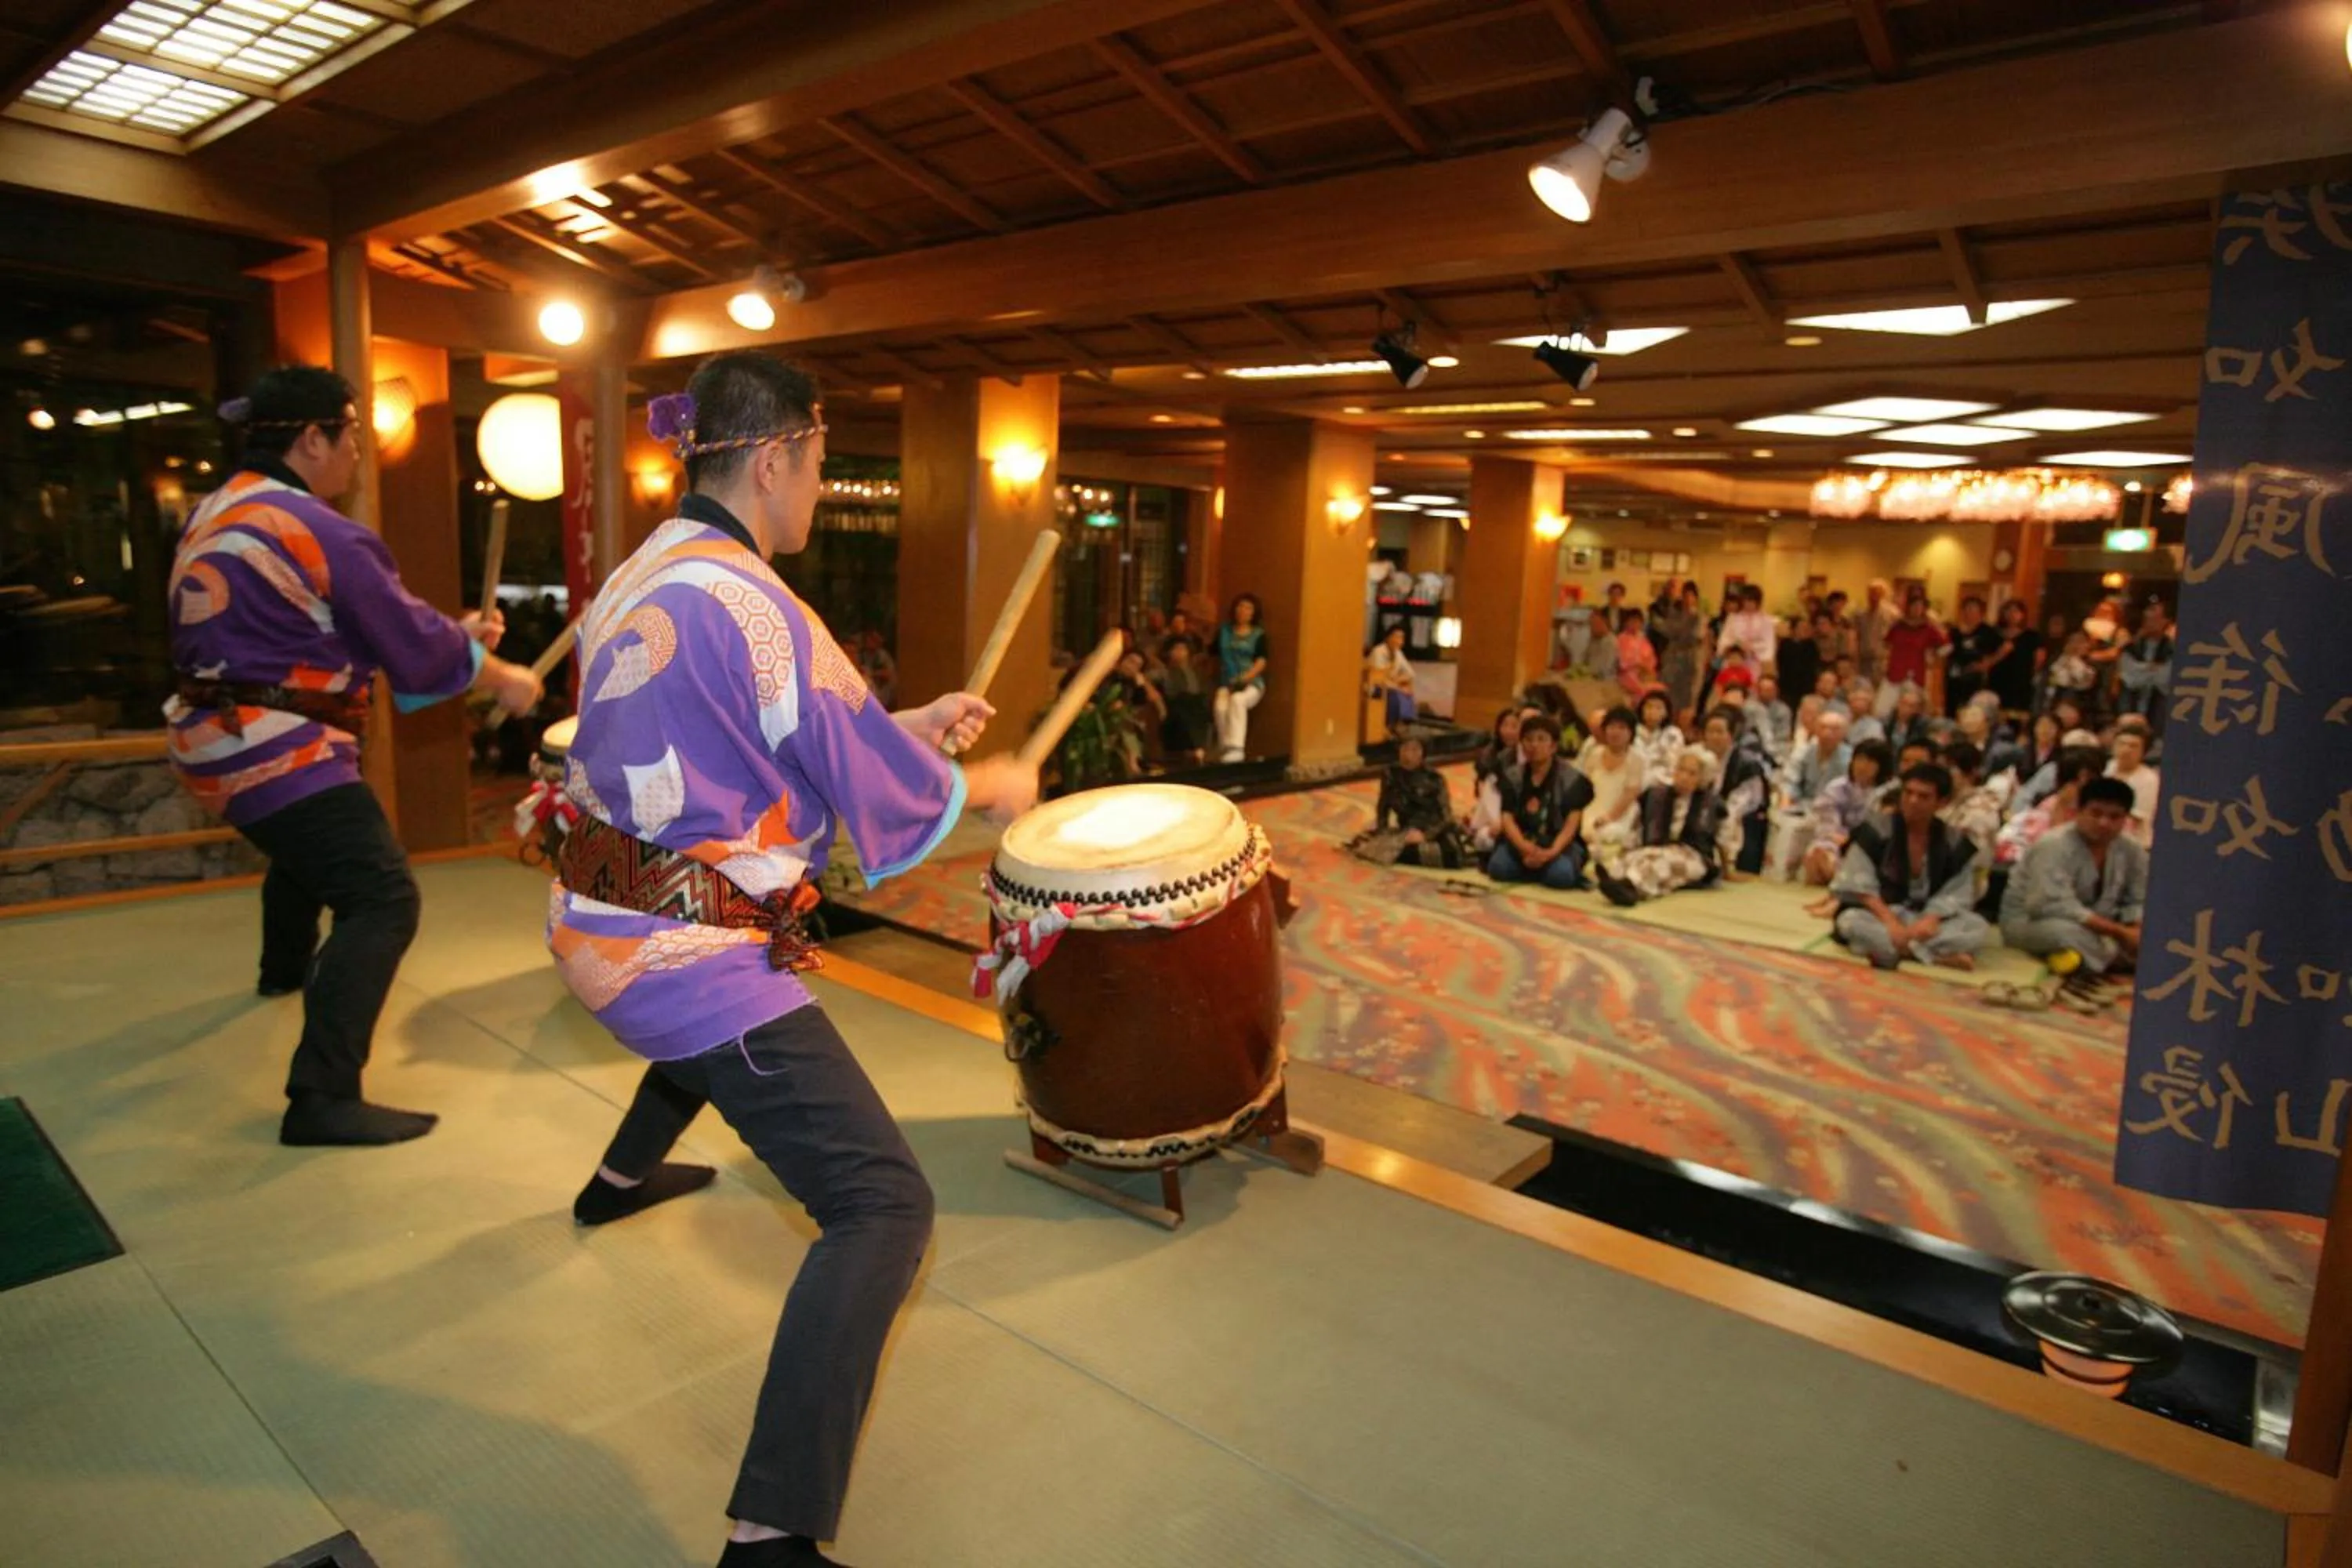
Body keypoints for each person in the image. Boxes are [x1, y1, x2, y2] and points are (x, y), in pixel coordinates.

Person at [550, 355, 1040, 1568]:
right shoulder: (765, 606)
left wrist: (900, 729)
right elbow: (878, 798)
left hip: (597, 914)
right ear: (773, 458)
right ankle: (772, 1539)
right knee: (883, 1203)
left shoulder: (642, 572)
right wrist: (981, 786)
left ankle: (613, 1183)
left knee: (725, 1029)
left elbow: (741, 731)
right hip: (685, 948)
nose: (823, 489)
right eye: (822, 465)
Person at [165, 365, 543, 1146]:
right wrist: (500, 675)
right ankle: (322, 1095)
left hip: (211, 735)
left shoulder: (219, 510)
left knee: (307, 848)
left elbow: (327, 625)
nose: (358, 458)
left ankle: (282, 967)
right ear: (313, 437)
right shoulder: (319, 527)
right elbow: (398, 633)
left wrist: (450, 641)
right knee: (381, 895)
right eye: (352, 439)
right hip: (268, 744)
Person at [1830, 764, 1992, 971]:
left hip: (1925, 919)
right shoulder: (1876, 830)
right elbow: (1861, 888)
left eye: (1923, 797)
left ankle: (1893, 951)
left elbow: (1957, 893)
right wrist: (1892, 924)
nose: (1913, 801)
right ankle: (1932, 955)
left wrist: (1929, 920)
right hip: (1881, 914)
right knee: (1850, 921)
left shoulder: (1955, 843)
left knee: (1976, 927)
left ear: (1941, 803)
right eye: (1908, 793)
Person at [1999, 776, 2147, 995]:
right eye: (2096, 813)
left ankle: (2085, 959)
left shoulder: (2131, 849)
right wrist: (2120, 933)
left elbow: (2137, 897)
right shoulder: (2054, 844)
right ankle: (2111, 957)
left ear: (2126, 819)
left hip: (2102, 927)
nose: (2104, 823)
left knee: (2154, 938)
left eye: (2114, 817)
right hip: (2033, 922)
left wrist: (2135, 928)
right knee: (2067, 932)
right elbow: (2049, 905)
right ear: (2079, 811)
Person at [1597, 748, 1726, 906]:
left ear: (1701, 778)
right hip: (1657, 847)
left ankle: (1632, 890)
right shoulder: (1655, 794)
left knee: (1660, 863)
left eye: (1692, 773)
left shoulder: (1712, 803)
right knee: (1637, 857)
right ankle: (1617, 881)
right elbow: (1636, 828)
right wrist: (1625, 852)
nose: (1684, 777)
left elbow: (1724, 840)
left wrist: (1727, 868)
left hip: (1694, 856)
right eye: (1681, 770)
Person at [1486, 713, 1593, 890]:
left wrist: (1550, 852)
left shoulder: (1573, 780)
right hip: (1523, 840)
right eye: (1528, 740)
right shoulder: (1513, 776)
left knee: (1561, 876)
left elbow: (1571, 826)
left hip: (1557, 843)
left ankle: (1541, 868)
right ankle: (1534, 868)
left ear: (1553, 746)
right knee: (1498, 868)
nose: (1534, 745)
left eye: (1541, 739)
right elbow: (1507, 818)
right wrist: (1524, 847)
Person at [1800, 738, 1895, 887]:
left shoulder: (1888, 792)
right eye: (1860, 759)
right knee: (1817, 852)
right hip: (1835, 838)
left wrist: (1851, 840)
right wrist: (1837, 837)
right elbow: (1827, 819)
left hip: (1868, 845)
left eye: (1870, 762)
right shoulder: (1838, 787)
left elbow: (1879, 827)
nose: (1863, 766)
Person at [1367, 735, 1465, 868]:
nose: (1409, 755)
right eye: (1405, 749)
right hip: (1408, 829)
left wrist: (1425, 835)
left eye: (1415, 750)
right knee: (1375, 844)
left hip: (1435, 829)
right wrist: (1382, 829)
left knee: (1453, 855)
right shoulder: (1390, 773)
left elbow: (1446, 817)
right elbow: (1383, 806)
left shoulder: (1434, 778)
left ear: (1422, 753)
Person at [1699, 705, 1773, 876]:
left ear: (1731, 736)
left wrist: (1717, 810)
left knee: (1729, 820)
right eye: (1710, 731)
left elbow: (1747, 801)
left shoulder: (1748, 763)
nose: (1714, 737)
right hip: (1705, 809)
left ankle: (1725, 865)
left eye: (1720, 732)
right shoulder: (1697, 756)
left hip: (1743, 813)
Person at [1576, 704, 1646, 868]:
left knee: (1608, 833)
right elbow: (1583, 785)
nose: (1616, 732)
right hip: (1593, 805)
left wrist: (1609, 817)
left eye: (1622, 728)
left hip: (1620, 811)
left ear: (1631, 732)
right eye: (1612, 727)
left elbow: (1630, 793)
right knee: (1582, 829)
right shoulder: (1594, 753)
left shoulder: (1637, 759)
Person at [1212, 591, 1269, 762]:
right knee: (1220, 706)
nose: (1243, 610)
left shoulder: (1258, 635)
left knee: (1238, 700)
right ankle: (1224, 747)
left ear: (1253, 613)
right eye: (1240, 606)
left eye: (1248, 608)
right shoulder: (1224, 632)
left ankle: (1236, 749)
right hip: (1227, 683)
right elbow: (1212, 653)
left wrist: (1246, 677)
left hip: (1252, 684)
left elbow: (1261, 661)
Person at [2114, 600, 2174, 735]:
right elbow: (2132, 679)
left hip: (2160, 711)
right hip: (2130, 707)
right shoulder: (2130, 648)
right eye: (2147, 618)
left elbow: (2165, 680)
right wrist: (2152, 668)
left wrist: (2143, 669)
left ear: (2166, 621)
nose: (2150, 622)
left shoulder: (2173, 650)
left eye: (2155, 619)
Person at [1152, 633, 1212, 763]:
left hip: (1194, 709)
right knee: (1184, 704)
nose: (1180, 653)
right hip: (1173, 711)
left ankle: (1198, 748)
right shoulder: (1163, 672)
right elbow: (1147, 679)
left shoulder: (1195, 673)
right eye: (1176, 649)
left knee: (1199, 705)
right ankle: (1194, 749)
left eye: (1183, 649)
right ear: (1169, 653)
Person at [1780, 707, 1853, 808]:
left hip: (1835, 809)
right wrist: (1785, 808)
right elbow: (1790, 782)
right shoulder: (1803, 752)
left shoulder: (1851, 758)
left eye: (1834, 729)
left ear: (1844, 733)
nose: (1827, 733)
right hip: (1804, 805)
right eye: (1823, 728)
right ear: (1816, 730)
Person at [2105, 716, 2161, 848]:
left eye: (2133, 746)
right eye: (2122, 744)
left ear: (2143, 751)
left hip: (2137, 843)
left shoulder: (2150, 779)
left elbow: (2137, 817)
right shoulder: (2105, 768)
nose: (2126, 750)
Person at [1883, 589, 1948, 698]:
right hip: (1894, 673)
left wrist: (1935, 659)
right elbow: (1886, 644)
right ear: (1908, 607)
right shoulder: (1898, 626)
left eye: (1920, 606)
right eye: (1914, 606)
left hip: (1916, 675)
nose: (1917, 609)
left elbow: (1945, 646)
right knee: (1883, 709)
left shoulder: (1928, 628)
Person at [1657, 581, 1708, 720]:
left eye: (1691, 596)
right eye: (1685, 595)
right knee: (1669, 692)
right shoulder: (1675, 614)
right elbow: (1668, 630)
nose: (1688, 599)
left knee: (1688, 696)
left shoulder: (1699, 616)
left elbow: (1697, 636)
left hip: (1690, 658)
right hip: (1673, 657)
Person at [1984, 599, 2041, 718]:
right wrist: (2001, 653)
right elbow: (1986, 661)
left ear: (2023, 615)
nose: (2012, 615)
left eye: (2016, 611)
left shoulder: (2031, 636)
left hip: (2021, 684)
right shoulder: (1994, 634)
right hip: (1997, 681)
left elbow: (2039, 660)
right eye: (2008, 611)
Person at [1945, 596, 2002, 716]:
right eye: (1966, 609)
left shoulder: (1988, 632)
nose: (1969, 612)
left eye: (1973, 609)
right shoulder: (1954, 631)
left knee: (1971, 710)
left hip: (1975, 680)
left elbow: (2004, 648)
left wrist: (1987, 664)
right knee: (1952, 710)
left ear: (1980, 612)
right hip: (1954, 678)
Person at [1364, 624, 1417, 737]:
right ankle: (1388, 725)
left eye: (1402, 638)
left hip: (1390, 685)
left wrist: (1399, 681)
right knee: (1396, 694)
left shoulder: (1398, 654)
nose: (1399, 641)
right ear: (1388, 638)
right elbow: (1379, 678)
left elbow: (1411, 673)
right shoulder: (1379, 652)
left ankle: (1402, 723)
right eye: (1396, 637)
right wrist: (1398, 687)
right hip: (1375, 687)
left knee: (1408, 692)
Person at [1716, 583, 1778, 675]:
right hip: (1734, 661)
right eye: (1746, 600)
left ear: (1758, 602)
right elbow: (1724, 639)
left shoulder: (1766, 620)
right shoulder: (1733, 618)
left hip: (1756, 663)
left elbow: (1769, 643)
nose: (1748, 604)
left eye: (1751, 601)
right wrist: (1736, 645)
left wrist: (1753, 648)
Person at [2036, 630, 2100, 720]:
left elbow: (2087, 684)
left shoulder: (2087, 666)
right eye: (2085, 643)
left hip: (2080, 707)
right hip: (2059, 703)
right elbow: (2058, 682)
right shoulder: (2061, 663)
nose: (2088, 646)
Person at [1631, 687, 1684, 783]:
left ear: (1666, 713)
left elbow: (1672, 765)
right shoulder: (1631, 730)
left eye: (1658, 708)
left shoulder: (1673, 734)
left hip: (1661, 783)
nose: (1653, 712)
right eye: (1649, 707)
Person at [1854, 579, 1898, 685]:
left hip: (1883, 661)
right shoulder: (1861, 614)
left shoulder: (1893, 614)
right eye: (1871, 592)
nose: (1873, 596)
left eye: (1877, 592)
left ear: (1883, 594)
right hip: (1864, 661)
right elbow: (1857, 636)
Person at [1746, 672, 1793, 761]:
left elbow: (1784, 735)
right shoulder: (1748, 708)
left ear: (1776, 691)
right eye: (1763, 689)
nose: (1766, 693)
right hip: (1753, 747)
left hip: (1777, 747)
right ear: (1758, 691)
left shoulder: (1783, 710)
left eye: (1769, 690)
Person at [1614, 606, 1660, 699]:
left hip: (1645, 675)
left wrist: (1646, 670)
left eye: (1637, 621)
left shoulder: (1644, 640)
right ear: (1626, 622)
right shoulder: (1621, 639)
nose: (1635, 624)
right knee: (1641, 689)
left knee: (1659, 690)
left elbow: (1652, 660)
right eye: (1632, 621)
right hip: (1627, 675)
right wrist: (1638, 665)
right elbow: (1622, 663)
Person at [1882, 683, 1934, 753]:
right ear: (1898, 703)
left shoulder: (1924, 725)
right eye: (1904, 703)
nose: (1906, 709)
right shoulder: (1886, 722)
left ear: (1918, 709)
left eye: (1911, 706)